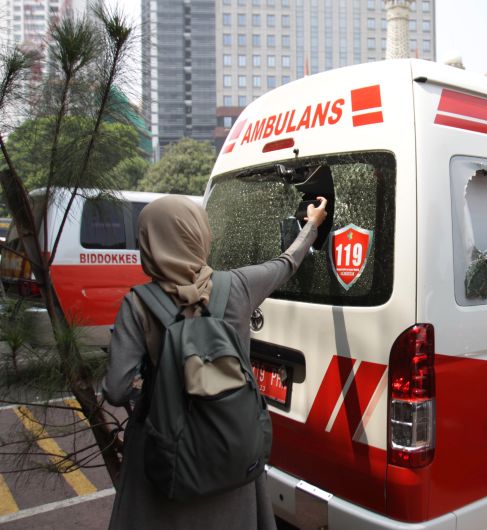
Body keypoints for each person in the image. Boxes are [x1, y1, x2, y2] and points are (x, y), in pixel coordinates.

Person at [102, 194, 327, 530]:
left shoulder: (137, 305)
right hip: (229, 447)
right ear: (199, 236)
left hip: (165, 461)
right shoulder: (238, 286)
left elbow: (117, 391)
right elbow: (287, 263)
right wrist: (312, 224)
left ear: (148, 242)